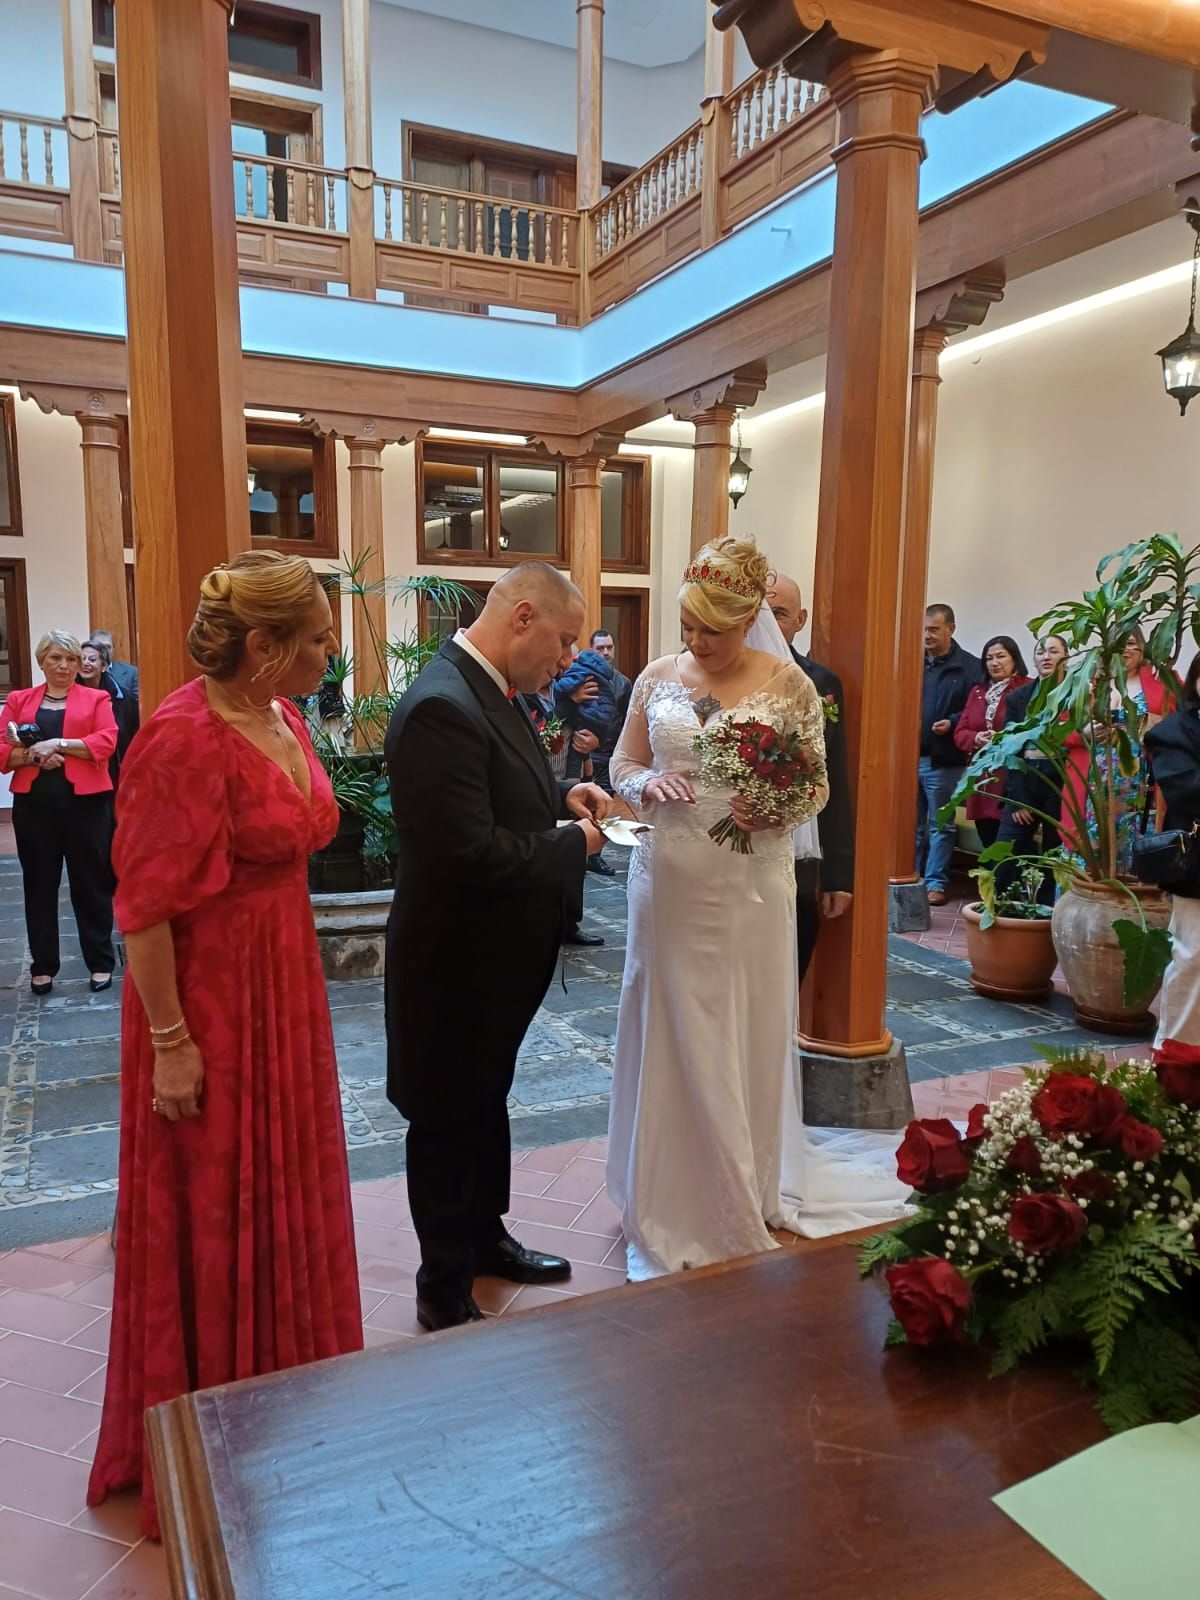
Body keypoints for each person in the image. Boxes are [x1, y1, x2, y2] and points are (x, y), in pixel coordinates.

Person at [87, 551, 363, 1540]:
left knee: (281, 1187)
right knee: (211, 1200)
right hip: (205, 1000)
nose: (331, 654)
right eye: (319, 639)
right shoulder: (180, 735)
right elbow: (145, 910)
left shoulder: (280, 716)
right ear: (262, 647)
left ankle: (286, 1412)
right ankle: (211, 1440)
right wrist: (170, 1043)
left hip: (280, 987)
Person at [607, 536, 909, 1281]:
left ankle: (744, 1177)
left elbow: (818, 788)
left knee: (739, 1019)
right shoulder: (654, 678)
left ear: (750, 620)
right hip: (670, 877)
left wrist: (774, 806)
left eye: (712, 628)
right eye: (689, 628)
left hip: (749, 881)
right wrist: (647, 786)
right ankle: (667, 1185)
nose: (697, 643)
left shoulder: (791, 686)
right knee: (674, 1017)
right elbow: (621, 762)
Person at [385, 562, 610, 1332]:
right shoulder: (440, 706)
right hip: (455, 959)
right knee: (448, 1115)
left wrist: (559, 797)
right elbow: (469, 853)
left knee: (485, 1102)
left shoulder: (488, 689)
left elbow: (497, 786)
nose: (567, 659)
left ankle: (486, 1239)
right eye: (563, 639)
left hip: (495, 956)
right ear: (521, 617)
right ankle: (442, 1285)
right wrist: (572, 844)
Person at [2, 631, 118, 995]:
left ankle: (100, 962)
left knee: (91, 884)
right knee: (38, 884)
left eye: (70, 659)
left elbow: (107, 740)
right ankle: (43, 966)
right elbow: (3, 749)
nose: (65, 666)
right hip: (35, 807)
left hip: (87, 806)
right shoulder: (20, 700)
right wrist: (35, 755)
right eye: (55, 658)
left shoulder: (97, 698)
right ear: (41, 662)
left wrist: (61, 745)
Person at [767, 573, 854, 986]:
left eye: (779, 613)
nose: (767, 621)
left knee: (791, 964)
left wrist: (837, 873)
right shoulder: (717, 675)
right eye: (760, 612)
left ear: (800, 619)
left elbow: (834, 777)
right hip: (737, 847)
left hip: (803, 849)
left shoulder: (821, 684)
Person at [1061, 628, 1172, 875]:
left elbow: (1183, 721)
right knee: (1090, 850)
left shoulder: (1160, 679)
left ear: (1143, 646)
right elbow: (1060, 729)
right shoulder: (1088, 683)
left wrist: (1146, 724)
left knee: (1138, 848)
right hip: (1093, 784)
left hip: (1142, 783)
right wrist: (1086, 733)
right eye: (1118, 645)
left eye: (1131, 643)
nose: (1125, 650)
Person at [1145, 654, 1200, 1054]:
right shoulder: (1173, 732)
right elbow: (1186, 788)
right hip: (1196, 865)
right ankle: (1175, 1053)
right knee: (1192, 957)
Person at [917, 604, 985, 906]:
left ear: (951, 630)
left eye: (934, 629)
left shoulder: (970, 667)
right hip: (909, 757)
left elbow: (975, 713)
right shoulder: (911, 662)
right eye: (924, 629)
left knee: (940, 825)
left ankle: (935, 883)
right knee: (910, 824)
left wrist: (954, 722)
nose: (927, 636)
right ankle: (911, 876)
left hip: (944, 761)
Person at [994, 634, 1069, 902]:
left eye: (1053, 651)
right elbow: (1010, 750)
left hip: (1062, 789)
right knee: (1005, 855)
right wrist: (1019, 800)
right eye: (1040, 652)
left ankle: (1049, 916)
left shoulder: (1077, 694)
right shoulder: (1019, 698)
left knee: (1054, 860)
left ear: (1066, 658)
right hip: (1023, 785)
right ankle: (1001, 909)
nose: (1046, 657)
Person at [952, 635, 1031, 850]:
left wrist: (1002, 738)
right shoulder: (978, 692)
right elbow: (960, 733)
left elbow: (1031, 733)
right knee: (989, 845)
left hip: (1012, 781)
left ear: (1014, 659)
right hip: (982, 781)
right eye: (989, 658)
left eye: (1001, 656)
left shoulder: (1027, 688)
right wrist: (976, 738)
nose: (994, 662)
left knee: (1011, 848)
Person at [79, 637, 140, 784]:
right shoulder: (67, 694)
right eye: (82, 659)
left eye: (92, 659)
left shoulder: (123, 697)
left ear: (104, 666)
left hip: (114, 767)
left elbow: (133, 733)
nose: (86, 663)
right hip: (80, 765)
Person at [88, 627, 138, 700]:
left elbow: (138, 704)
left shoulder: (131, 672)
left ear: (113, 649)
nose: (104, 650)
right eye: (99, 647)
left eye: (108, 647)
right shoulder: (83, 672)